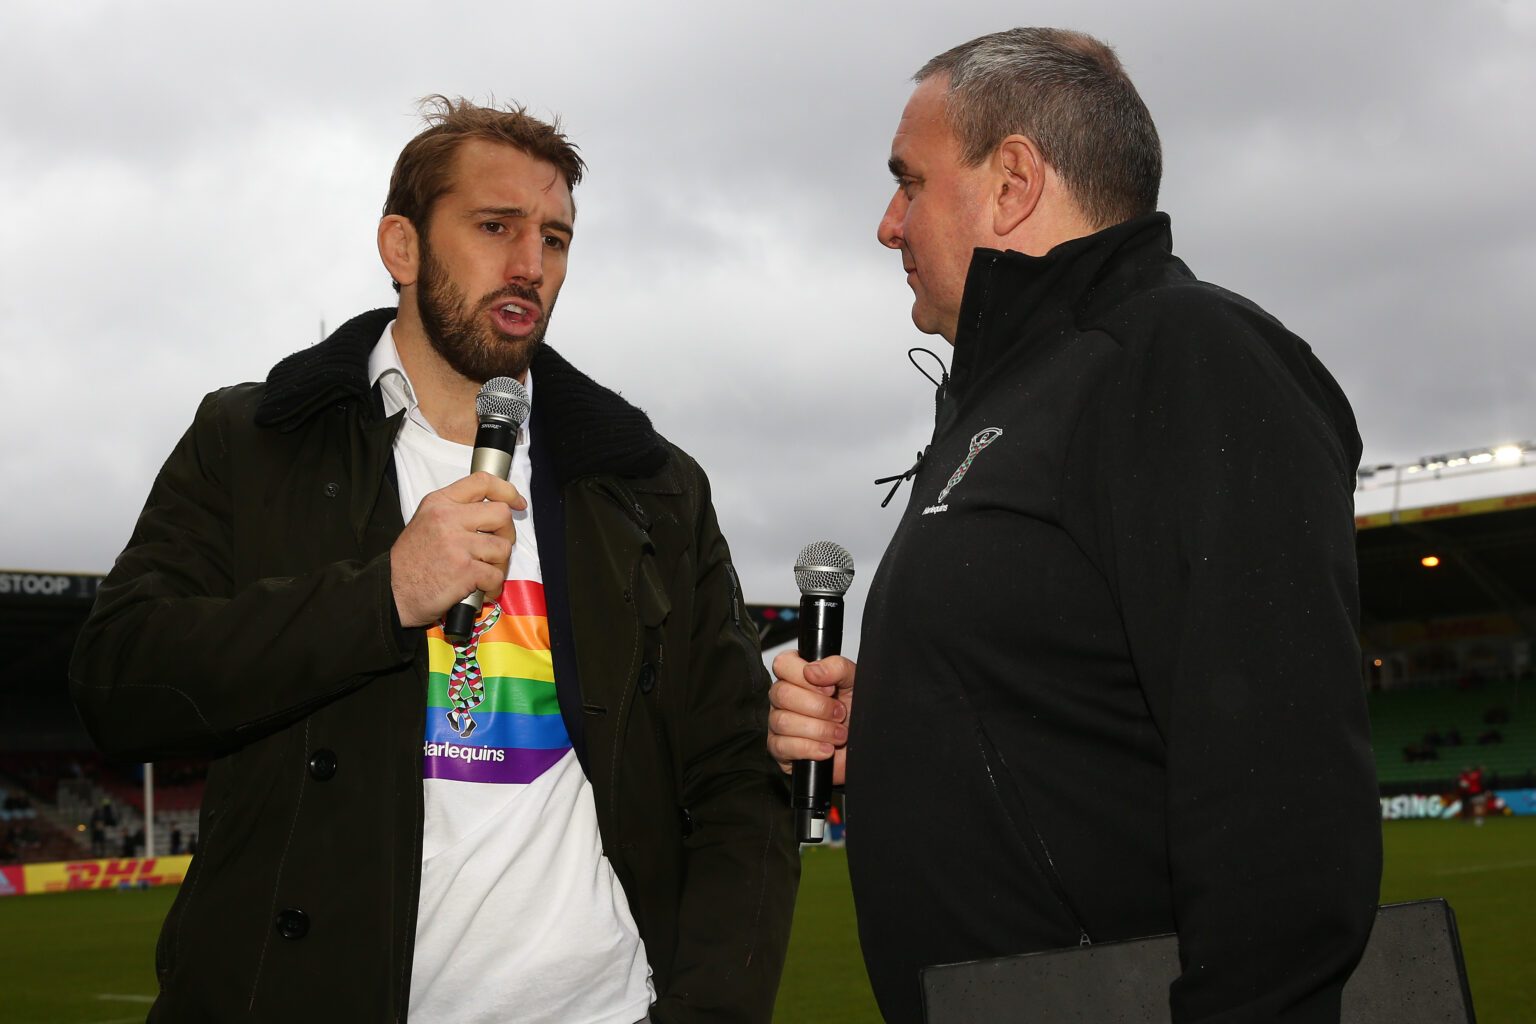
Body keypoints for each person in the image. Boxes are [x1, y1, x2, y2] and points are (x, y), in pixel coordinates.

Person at [70, 97, 797, 1023]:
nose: (531, 265)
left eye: (556, 238)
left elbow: (737, 775)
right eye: (496, 227)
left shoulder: (646, 485)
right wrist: (382, 595)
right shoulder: (252, 440)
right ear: (402, 247)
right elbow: (117, 683)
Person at [768, 28, 1381, 1023]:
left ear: (1012, 180)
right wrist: (896, 723)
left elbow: (1283, 794)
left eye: (909, 182)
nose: (888, 223)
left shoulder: (1186, 357)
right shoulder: (1017, 400)